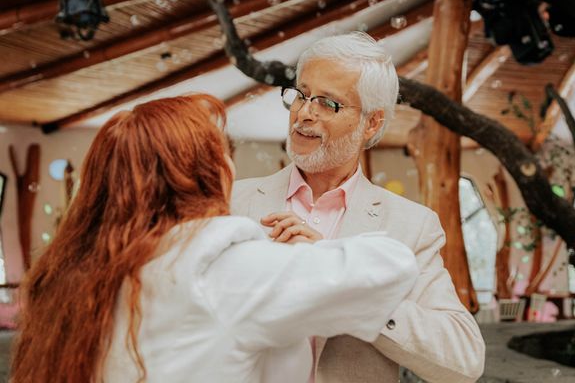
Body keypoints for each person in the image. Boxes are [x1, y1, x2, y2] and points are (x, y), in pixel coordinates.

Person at [11, 94, 419, 383]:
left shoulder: (76, 272)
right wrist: (312, 248)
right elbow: (390, 265)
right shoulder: (222, 271)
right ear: (202, 172)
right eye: (221, 152)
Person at [232, 32, 486, 383]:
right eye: (302, 95)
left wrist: (343, 282)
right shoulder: (229, 203)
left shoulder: (412, 226)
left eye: (327, 103)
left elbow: (463, 360)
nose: (304, 113)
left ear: (372, 123)